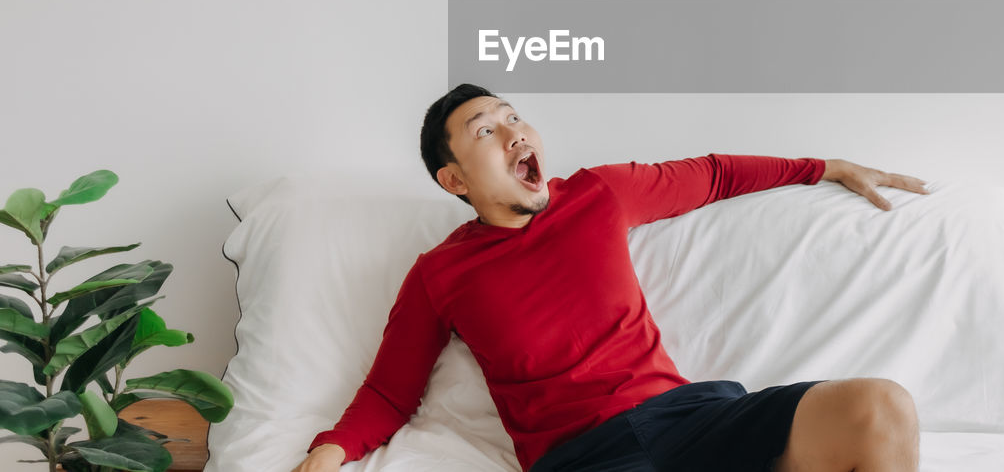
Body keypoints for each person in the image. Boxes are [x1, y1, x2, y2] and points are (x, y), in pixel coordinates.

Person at [290, 84, 929, 472]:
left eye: (513, 117)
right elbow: (390, 394)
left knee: (880, 408)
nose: (512, 131)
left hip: (693, 422)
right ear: (454, 181)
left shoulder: (596, 195)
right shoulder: (440, 275)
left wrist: (826, 166)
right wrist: (330, 450)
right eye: (486, 131)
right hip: (582, 462)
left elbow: (714, 174)